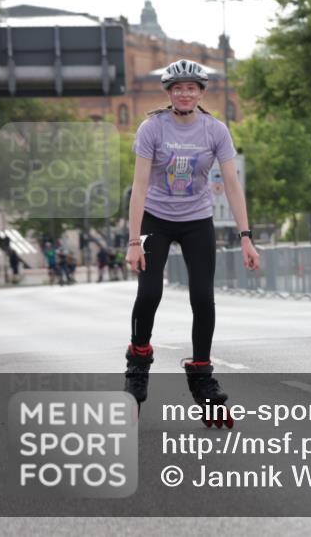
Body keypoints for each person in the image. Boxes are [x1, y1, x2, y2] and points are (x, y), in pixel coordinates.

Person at [123, 59, 261, 425]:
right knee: (149, 293)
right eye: (178, 88)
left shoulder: (215, 131)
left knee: (202, 297)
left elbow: (232, 184)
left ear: (201, 93)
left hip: (197, 220)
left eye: (192, 88)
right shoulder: (152, 128)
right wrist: (134, 240)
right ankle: (137, 366)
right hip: (156, 217)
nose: (185, 94)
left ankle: (202, 375)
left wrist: (246, 237)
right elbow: (138, 186)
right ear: (169, 93)